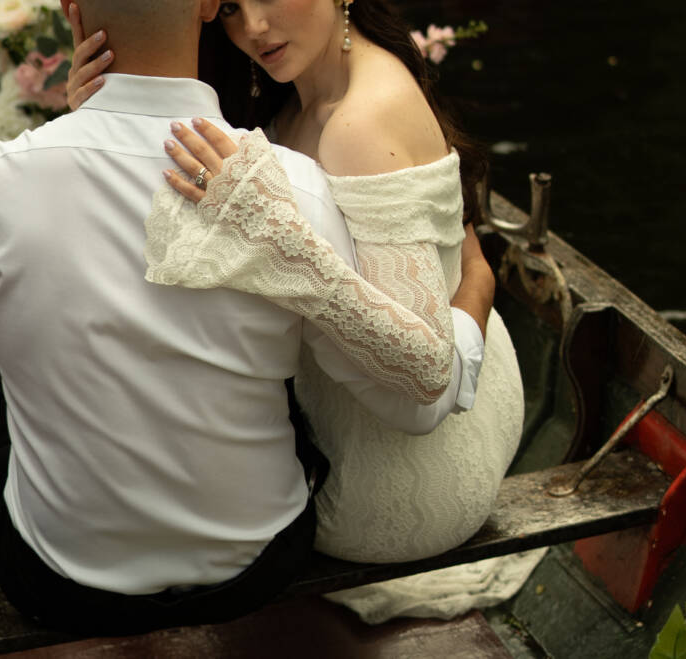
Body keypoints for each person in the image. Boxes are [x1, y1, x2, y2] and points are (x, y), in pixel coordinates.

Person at [0, 0, 496, 637]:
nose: (254, 25)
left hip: (58, 584)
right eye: (235, 5)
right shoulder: (298, 186)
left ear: (70, 9)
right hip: (261, 563)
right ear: (209, 7)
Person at [66, 0, 531, 622]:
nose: (252, 28)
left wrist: (285, 246)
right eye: (230, 7)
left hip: (394, 482)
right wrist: (94, 115)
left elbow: (423, 394)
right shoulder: (289, 103)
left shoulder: (361, 119)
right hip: (351, 412)